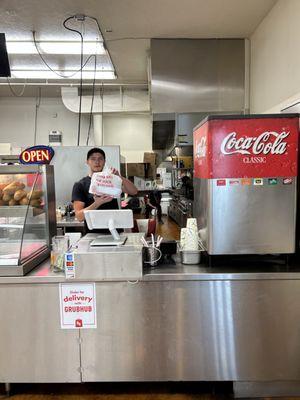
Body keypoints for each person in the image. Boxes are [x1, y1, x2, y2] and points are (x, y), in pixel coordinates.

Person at [72, 148, 138, 227]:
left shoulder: (110, 180)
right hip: (93, 233)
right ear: (87, 162)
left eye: (100, 159)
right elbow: (79, 217)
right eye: (93, 159)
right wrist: (97, 203)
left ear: (104, 161)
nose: (97, 162)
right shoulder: (80, 185)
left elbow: (134, 191)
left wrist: (119, 177)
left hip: (115, 230)